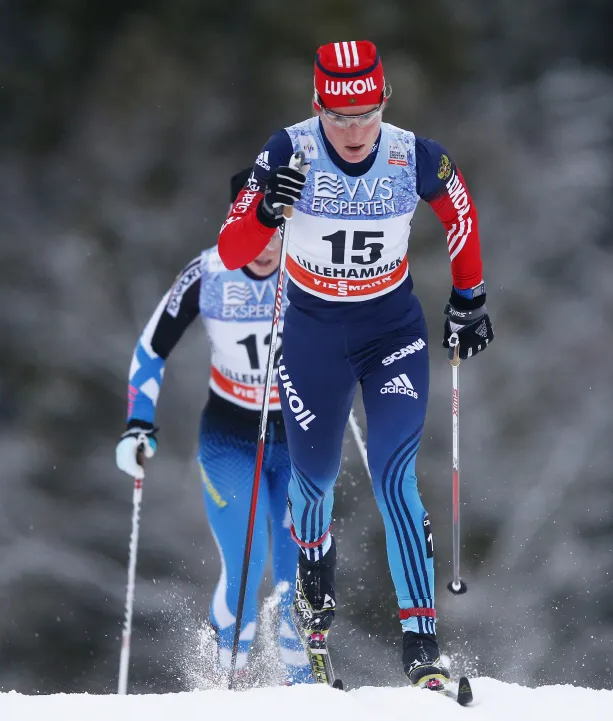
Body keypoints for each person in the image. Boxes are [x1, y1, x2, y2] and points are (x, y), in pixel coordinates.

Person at [216, 41, 494, 689]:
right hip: (313, 334)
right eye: (338, 117)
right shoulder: (288, 150)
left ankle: (421, 643)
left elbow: (459, 213)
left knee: (395, 477)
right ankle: (314, 595)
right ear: (316, 106)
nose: (352, 131)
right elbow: (232, 251)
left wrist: (469, 297)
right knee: (311, 483)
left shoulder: (413, 153)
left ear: (383, 102)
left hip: (389, 328)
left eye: (364, 113)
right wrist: (262, 210)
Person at [115, 169, 310, 685]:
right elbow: (150, 348)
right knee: (247, 570)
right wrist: (139, 423)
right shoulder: (208, 272)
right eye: (255, 230)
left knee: (298, 588)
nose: (266, 248)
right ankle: (228, 687)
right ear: (236, 222)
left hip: (298, 440)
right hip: (231, 438)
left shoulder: (308, 269)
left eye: (277, 232)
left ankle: (311, 699)